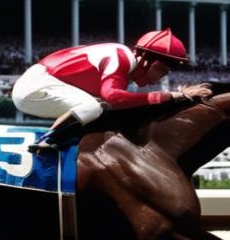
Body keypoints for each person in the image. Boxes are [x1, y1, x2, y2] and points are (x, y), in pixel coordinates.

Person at [12, 28, 211, 149]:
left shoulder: (123, 58)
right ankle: (47, 142)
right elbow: (114, 98)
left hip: (44, 82)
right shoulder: (121, 58)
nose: (163, 75)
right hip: (34, 87)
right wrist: (170, 96)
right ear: (145, 59)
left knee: (97, 108)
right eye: (161, 68)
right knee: (92, 107)